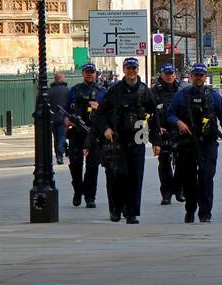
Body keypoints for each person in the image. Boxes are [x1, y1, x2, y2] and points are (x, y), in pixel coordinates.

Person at [169, 63, 222, 223]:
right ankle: (190, 210)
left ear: (205, 77)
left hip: (208, 143)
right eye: (196, 75)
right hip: (187, 143)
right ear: (191, 76)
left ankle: (205, 213)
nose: (198, 77)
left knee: (206, 178)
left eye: (201, 75)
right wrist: (179, 122)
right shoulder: (182, 95)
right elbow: (170, 114)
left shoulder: (214, 96)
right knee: (189, 179)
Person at [91, 58, 154, 223]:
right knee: (117, 175)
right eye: (128, 68)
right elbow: (100, 113)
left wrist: (157, 142)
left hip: (138, 138)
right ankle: (116, 210)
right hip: (118, 138)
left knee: (135, 176)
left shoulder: (144, 91)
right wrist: (105, 129)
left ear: (137, 69)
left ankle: (131, 212)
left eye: (134, 68)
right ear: (124, 70)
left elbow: (155, 115)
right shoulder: (114, 90)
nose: (131, 71)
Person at [65, 63, 104, 208]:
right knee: (75, 165)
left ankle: (90, 196)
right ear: (83, 73)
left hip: (93, 133)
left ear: (95, 74)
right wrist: (67, 119)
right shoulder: (74, 90)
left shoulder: (101, 91)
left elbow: (108, 111)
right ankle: (77, 191)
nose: (89, 74)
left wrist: (98, 107)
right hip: (77, 132)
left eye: (92, 72)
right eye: (87, 72)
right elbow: (66, 108)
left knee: (92, 166)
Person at [148, 64, 183, 205]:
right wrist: (156, 128)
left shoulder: (181, 90)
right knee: (164, 163)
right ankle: (166, 193)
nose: (169, 75)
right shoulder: (154, 92)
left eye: (171, 73)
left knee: (182, 163)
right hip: (161, 131)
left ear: (175, 74)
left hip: (178, 131)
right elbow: (148, 113)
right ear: (161, 74)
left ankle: (179, 190)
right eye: (166, 73)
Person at [46, 72, 70, 165]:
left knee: (56, 138)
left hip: (52, 118)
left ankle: (58, 155)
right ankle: (60, 155)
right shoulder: (67, 90)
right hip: (63, 117)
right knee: (62, 137)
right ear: (62, 78)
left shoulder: (49, 91)